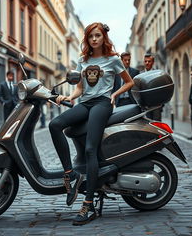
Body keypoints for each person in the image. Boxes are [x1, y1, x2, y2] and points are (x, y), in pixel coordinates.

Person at [49, 22, 134, 225]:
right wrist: (68, 97)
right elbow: (79, 88)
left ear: (103, 37)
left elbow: (129, 82)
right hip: (85, 103)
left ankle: (88, 205)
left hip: (103, 104)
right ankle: (70, 174)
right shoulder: (82, 60)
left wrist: (114, 94)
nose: (94, 39)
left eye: (97, 35)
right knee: (55, 124)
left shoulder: (113, 60)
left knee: (89, 150)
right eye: (90, 36)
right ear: (87, 39)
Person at [143, 53, 162, 121]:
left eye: (149, 61)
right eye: (145, 61)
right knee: (147, 126)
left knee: (157, 126)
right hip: (145, 106)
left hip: (156, 105)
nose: (147, 63)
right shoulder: (140, 74)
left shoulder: (158, 73)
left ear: (153, 62)